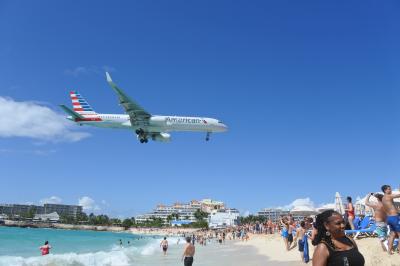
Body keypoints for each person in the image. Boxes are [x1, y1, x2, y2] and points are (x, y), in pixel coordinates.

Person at [381, 184, 400, 254]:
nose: (391, 190)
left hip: (389, 218)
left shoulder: (383, 198)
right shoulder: (389, 196)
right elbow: (398, 195)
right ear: (385, 190)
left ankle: (389, 251)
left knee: (392, 234)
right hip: (394, 217)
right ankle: (399, 250)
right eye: (389, 189)